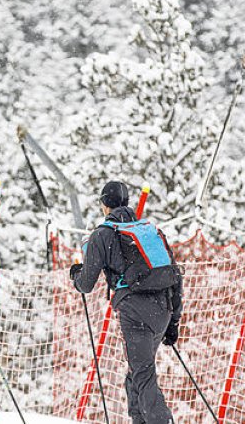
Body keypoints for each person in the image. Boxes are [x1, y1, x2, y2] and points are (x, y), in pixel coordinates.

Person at [70, 181, 183, 424]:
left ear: (104, 205)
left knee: (142, 375)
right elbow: (175, 274)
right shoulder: (150, 231)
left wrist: (75, 275)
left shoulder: (102, 234)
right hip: (163, 308)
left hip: (135, 311)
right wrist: (174, 321)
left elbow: (86, 284)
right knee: (135, 374)